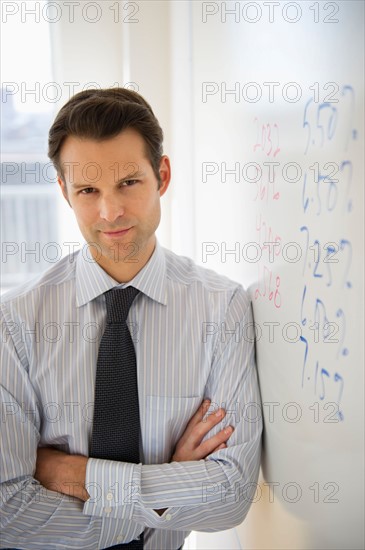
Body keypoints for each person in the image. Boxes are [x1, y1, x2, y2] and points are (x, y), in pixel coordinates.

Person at [0, 88, 262, 550]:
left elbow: (230, 495)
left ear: (161, 175)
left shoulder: (223, 309)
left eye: (128, 183)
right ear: (64, 192)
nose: (110, 212)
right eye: (88, 190)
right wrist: (163, 496)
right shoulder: (15, 323)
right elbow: (7, 510)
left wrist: (70, 474)